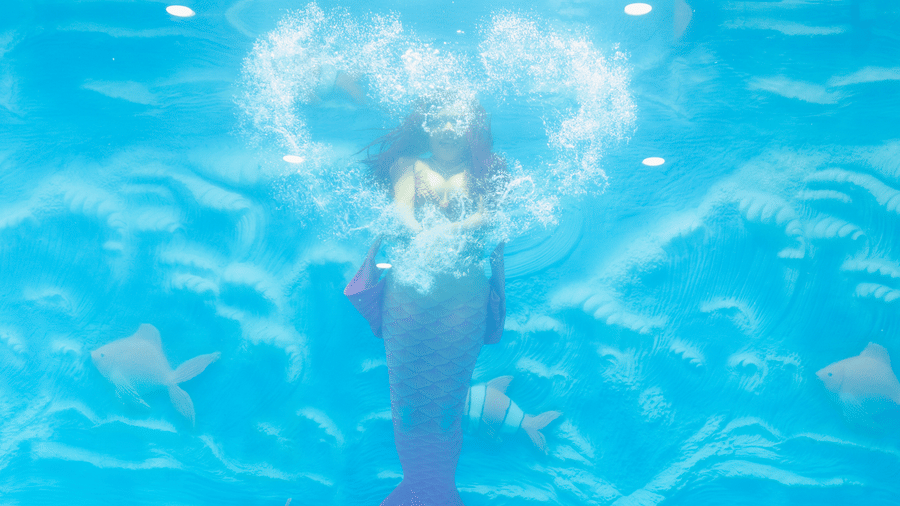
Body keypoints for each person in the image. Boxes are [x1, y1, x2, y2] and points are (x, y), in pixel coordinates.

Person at [345, 97, 507, 506]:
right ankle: (421, 489)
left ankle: (433, 490)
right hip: (409, 299)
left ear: (470, 127)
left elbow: (487, 218)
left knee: (448, 403)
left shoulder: (487, 169)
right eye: (442, 120)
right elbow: (401, 212)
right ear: (427, 126)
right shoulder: (409, 167)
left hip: (463, 303)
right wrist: (423, 231)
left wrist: (449, 233)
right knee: (409, 400)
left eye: (459, 120)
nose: (450, 128)